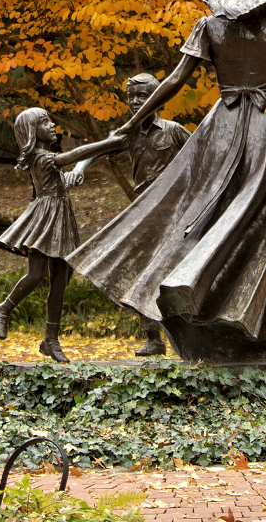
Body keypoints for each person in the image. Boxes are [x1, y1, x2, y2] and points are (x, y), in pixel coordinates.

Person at [60, 0, 266, 364]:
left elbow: (176, 80)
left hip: (225, 125)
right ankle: (217, 298)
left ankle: (200, 289)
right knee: (263, 219)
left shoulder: (211, 27)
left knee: (217, 208)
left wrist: (135, 119)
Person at [70, 73, 191, 357]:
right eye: (131, 98)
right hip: (144, 214)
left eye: (142, 96)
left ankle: (189, 334)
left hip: (176, 214)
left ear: (157, 96)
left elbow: (203, 157)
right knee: (141, 273)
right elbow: (98, 148)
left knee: (177, 275)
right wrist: (78, 168)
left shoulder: (174, 131)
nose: (136, 102)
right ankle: (153, 337)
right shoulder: (129, 133)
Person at [0, 108, 115, 362]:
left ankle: (51, 339)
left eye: (50, 120)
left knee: (60, 279)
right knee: (36, 274)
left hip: (61, 221)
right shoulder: (40, 158)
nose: (51, 125)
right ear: (31, 132)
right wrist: (106, 143)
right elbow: (70, 157)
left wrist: (82, 168)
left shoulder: (47, 157)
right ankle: (4, 309)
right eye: (43, 122)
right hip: (46, 222)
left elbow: (63, 179)